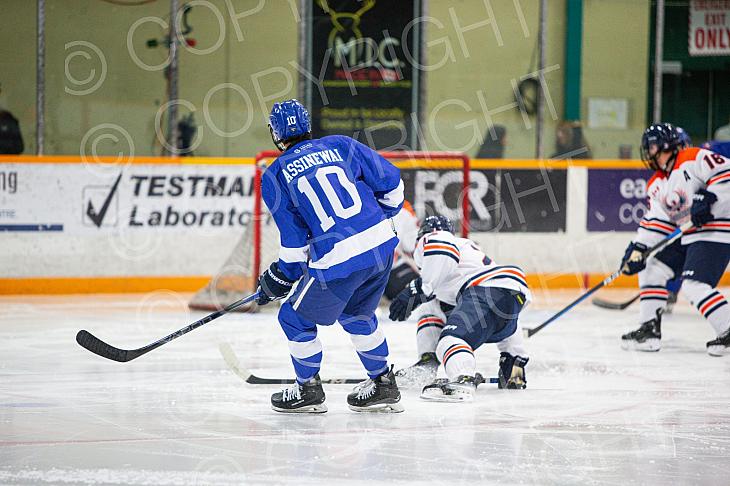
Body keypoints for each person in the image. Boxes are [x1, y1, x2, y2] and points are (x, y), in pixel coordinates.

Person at [256, 99, 405, 413]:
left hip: (340, 260)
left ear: (275, 134)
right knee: (357, 315)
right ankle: (382, 383)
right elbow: (393, 186)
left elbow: (295, 249)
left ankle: (307, 389)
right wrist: (374, 218)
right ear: (307, 124)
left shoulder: (275, 175)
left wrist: (278, 277)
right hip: (381, 243)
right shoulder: (340, 144)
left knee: (293, 317)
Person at [388, 215, 530, 401]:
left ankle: (462, 379)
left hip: (483, 291)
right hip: (510, 296)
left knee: (449, 342)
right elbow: (503, 315)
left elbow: (440, 245)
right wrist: (514, 357)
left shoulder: (435, 237)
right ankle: (513, 372)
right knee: (433, 304)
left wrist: (420, 288)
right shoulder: (468, 257)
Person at [620, 123, 730, 356]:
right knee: (652, 267)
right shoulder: (657, 183)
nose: (649, 154)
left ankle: (727, 328)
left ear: (669, 146)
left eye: (652, 147)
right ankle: (649, 329)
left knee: (694, 286)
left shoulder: (692, 157)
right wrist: (638, 248)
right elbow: (657, 221)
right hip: (691, 235)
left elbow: (726, 175)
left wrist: (711, 198)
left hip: (717, 230)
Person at [383, 200, 420, 301]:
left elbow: (411, 245)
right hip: (388, 271)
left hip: (361, 272)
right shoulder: (402, 208)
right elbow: (411, 245)